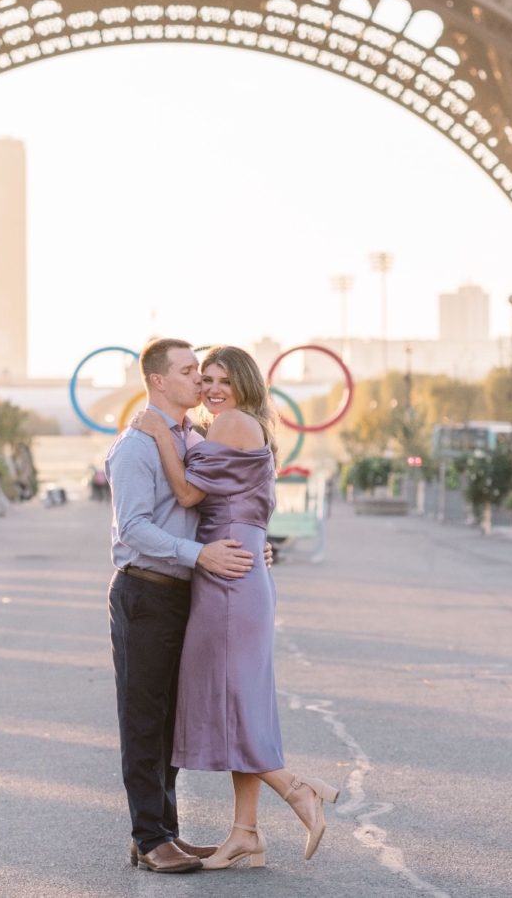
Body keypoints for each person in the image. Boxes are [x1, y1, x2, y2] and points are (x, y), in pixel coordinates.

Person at [133, 345, 338, 870]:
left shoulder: (228, 425)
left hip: (228, 577)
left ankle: (297, 791)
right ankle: (245, 832)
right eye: (207, 379)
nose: (212, 389)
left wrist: (158, 431)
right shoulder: (239, 427)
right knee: (240, 699)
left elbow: (184, 494)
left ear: (246, 383)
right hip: (239, 565)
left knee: (232, 702)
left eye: (224, 379)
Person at [105, 338, 257, 874]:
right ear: (158, 381)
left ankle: (163, 832)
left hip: (183, 594)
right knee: (144, 720)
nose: (200, 380)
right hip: (145, 591)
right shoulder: (136, 446)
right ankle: (149, 838)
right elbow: (134, 529)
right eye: (189, 371)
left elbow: (208, 502)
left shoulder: (190, 437)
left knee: (170, 723)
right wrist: (201, 554)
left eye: (200, 370)